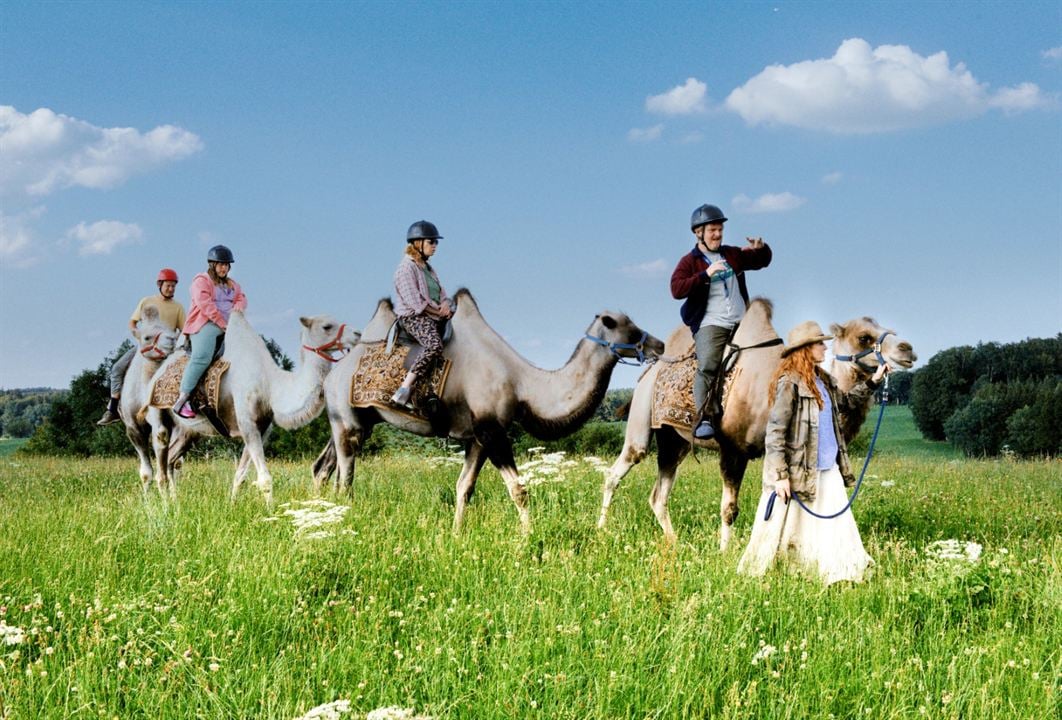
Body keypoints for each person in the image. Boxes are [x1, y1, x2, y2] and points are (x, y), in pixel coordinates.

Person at [737, 321, 889, 585]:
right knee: (786, 528)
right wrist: (780, 475)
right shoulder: (789, 383)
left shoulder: (824, 381)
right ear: (806, 349)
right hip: (798, 470)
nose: (825, 346)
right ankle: (782, 573)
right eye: (819, 343)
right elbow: (775, 433)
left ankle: (837, 571)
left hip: (828, 466)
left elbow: (848, 402)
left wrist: (874, 382)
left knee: (833, 524)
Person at [670, 203, 772, 439]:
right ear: (699, 233)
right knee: (708, 366)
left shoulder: (732, 254)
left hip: (741, 321)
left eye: (720, 230)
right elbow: (676, 289)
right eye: (712, 230)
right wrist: (705, 275)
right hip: (712, 323)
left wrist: (762, 248)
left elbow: (761, 261)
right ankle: (704, 417)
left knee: (766, 352)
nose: (717, 234)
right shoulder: (690, 261)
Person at [97, 268, 186, 425]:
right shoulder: (146, 302)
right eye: (168, 286)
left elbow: (183, 329)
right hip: (145, 347)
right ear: (160, 285)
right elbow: (133, 322)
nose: (171, 289)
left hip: (167, 350)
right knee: (117, 368)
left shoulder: (178, 307)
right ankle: (113, 408)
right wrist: (136, 333)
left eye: (173, 286)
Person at [172, 245, 247, 419]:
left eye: (227, 265)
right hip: (205, 324)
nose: (224, 268)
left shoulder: (232, 285)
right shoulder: (201, 281)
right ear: (212, 264)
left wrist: (236, 311)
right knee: (202, 357)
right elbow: (205, 305)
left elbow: (241, 298)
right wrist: (222, 324)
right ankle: (182, 399)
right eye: (221, 264)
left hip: (231, 326)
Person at [390, 220, 453, 408]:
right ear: (418, 243)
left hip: (435, 314)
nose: (435, 246)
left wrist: (446, 305)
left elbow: (442, 293)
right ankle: (403, 390)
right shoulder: (405, 268)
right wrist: (439, 311)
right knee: (434, 345)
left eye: (436, 242)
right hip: (413, 317)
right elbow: (416, 303)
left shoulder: (428, 269)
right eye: (431, 242)